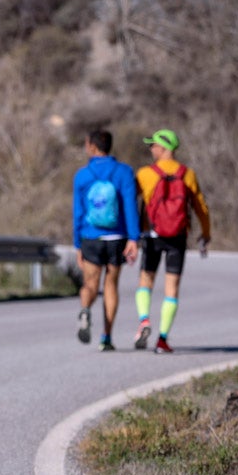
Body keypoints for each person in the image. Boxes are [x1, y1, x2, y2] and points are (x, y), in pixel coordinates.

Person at [133, 128, 211, 354]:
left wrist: (131, 234)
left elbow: (130, 201)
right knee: (172, 289)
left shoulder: (145, 174)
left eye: (154, 145)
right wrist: (206, 233)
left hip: (152, 235)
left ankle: (144, 320)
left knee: (145, 280)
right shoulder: (188, 174)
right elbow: (201, 207)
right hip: (177, 236)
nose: (151, 148)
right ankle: (162, 340)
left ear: (165, 147)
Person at [71, 129, 140, 351]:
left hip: (90, 236)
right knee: (111, 284)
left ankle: (85, 309)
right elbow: (130, 206)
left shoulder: (82, 175)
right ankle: (106, 337)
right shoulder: (124, 172)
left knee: (90, 284)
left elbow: (78, 212)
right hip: (117, 237)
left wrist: (77, 243)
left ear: (91, 146)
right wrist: (134, 238)